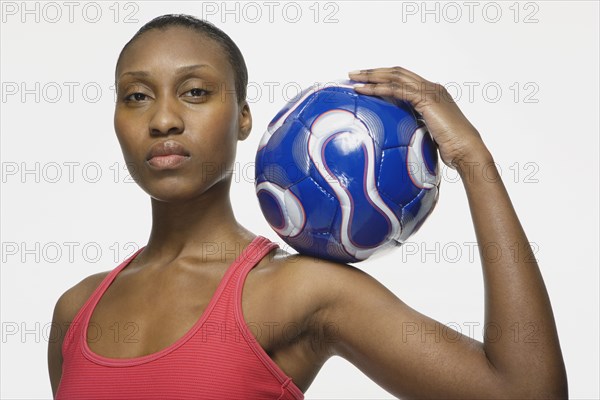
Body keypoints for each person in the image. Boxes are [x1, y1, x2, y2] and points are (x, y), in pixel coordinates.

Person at [47, 14, 568, 399]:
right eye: (136, 96)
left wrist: (473, 159)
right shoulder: (76, 311)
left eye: (196, 91)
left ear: (244, 118)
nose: (163, 120)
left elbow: (526, 392)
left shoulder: (301, 292)